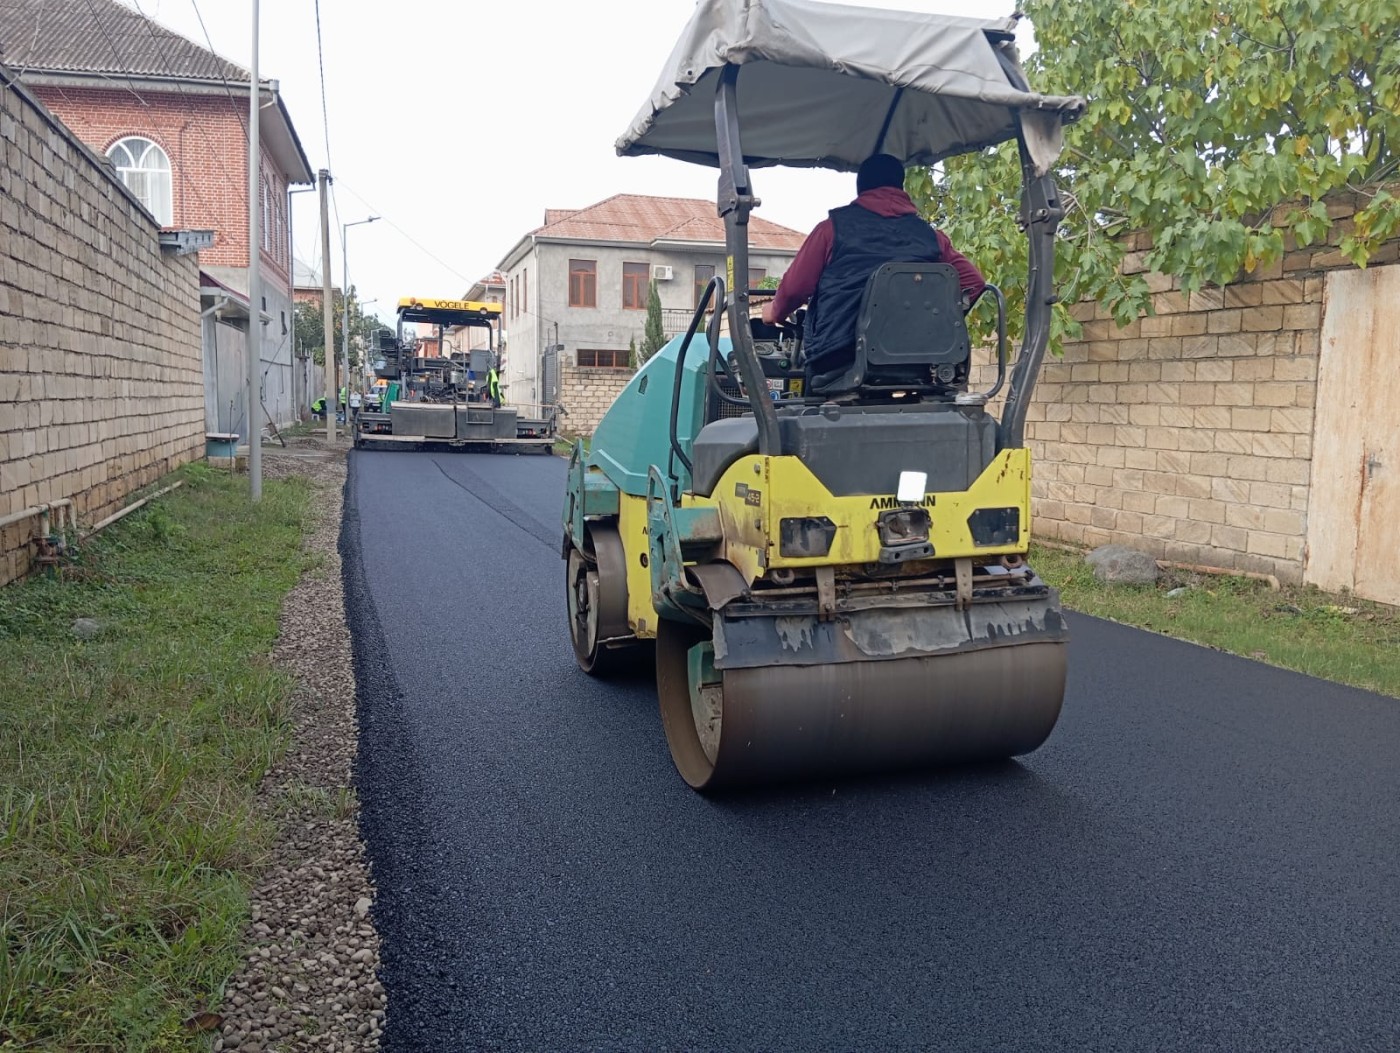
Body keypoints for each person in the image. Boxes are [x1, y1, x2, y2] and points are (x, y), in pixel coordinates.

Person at [761, 153, 986, 377]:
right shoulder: (932, 238)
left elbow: (794, 289)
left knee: (808, 379)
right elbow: (973, 283)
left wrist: (775, 311)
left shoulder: (831, 231)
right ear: (901, 187)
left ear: (861, 188)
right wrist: (933, 321)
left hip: (840, 355)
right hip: (920, 359)